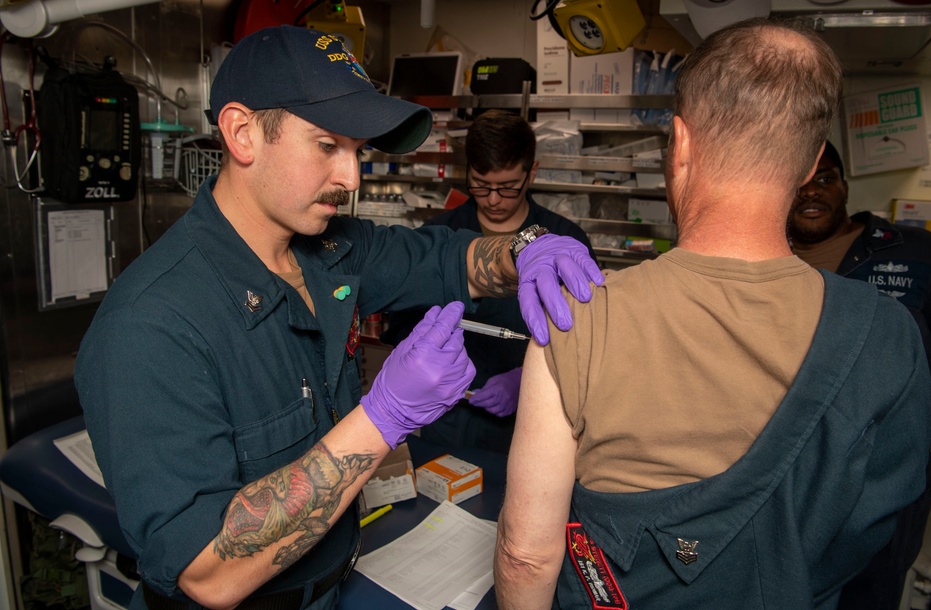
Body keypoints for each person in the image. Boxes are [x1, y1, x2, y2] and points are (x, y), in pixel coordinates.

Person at [74, 25, 603, 610]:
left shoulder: (333, 248)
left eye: (357, 152)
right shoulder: (149, 323)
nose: (351, 180)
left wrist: (527, 246)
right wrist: (384, 418)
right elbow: (206, 570)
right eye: (328, 146)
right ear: (242, 133)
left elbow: (456, 260)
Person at [494, 17, 931, 609]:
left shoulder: (576, 320)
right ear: (808, 168)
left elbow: (527, 554)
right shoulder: (888, 337)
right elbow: (871, 535)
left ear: (679, 143)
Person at [788, 140, 931, 609]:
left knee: (870, 593)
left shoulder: (922, 256)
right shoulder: (761, 260)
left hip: (888, 474)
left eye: (825, 179)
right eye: (798, 184)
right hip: (789, 469)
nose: (812, 194)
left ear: (845, 186)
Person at [382, 109, 596, 452]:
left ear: (532, 173)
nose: (493, 199)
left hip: (537, 421)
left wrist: (524, 378)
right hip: (450, 419)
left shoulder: (565, 243)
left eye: (508, 187)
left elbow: (589, 343)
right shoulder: (438, 239)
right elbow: (401, 325)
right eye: (481, 185)